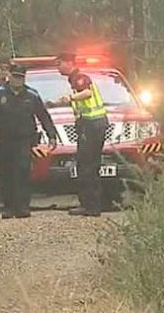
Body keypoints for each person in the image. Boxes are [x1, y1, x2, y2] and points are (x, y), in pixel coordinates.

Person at [0, 64, 58, 219]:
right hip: (3, 139)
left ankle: (22, 207)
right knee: (5, 173)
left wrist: (52, 135)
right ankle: (8, 207)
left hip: (24, 140)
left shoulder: (31, 95)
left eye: (20, 77)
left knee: (22, 172)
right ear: (10, 76)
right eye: (15, 77)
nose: (17, 80)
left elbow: (43, 116)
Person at [49, 52, 109, 217]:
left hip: (92, 125)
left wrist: (70, 98)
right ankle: (91, 204)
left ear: (69, 63)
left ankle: (90, 205)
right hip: (91, 124)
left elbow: (87, 93)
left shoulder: (80, 77)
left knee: (86, 165)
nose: (58, 68)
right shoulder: (74, 79)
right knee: (88, 165)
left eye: (60, 63)